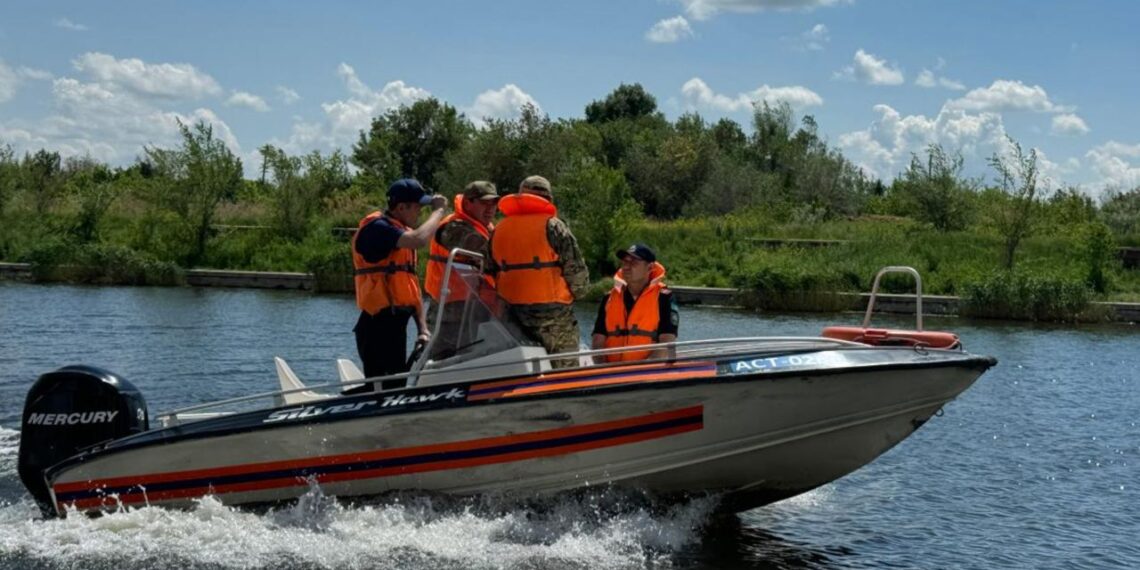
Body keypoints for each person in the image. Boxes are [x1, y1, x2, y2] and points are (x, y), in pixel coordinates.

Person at [488, 175, 589, 368]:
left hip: (513, 315)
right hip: (554, 316)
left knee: (522, 369)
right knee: (565, 372)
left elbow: (488, 270)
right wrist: (579, 293)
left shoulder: (498, 229)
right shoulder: (553, 226)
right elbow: (576, 270)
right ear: (548, 199)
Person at [352, 178, 447, 378]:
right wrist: (438, 211)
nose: (420, 212)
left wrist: (422, 329)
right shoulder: (378, 228)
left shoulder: (401, 233)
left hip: (396, 323)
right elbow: (419, 240)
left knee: (395, 381)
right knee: (384, 385)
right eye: (417, 207)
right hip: (377, 326)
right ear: (401, 207)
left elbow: (411, 289)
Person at [423, 180, 499, 354]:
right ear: (467, 202)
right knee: (440, 361)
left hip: (477, 308)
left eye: (493, 203)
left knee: (474, 361)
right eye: (484, 203)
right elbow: (487, 255)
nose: (490, 209)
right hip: (449, 311)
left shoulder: (487, 228)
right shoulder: (453, 227)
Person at [591, 243, 679, 362]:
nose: (626, 267)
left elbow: (667, 342)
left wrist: (640, 372)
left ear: (650, 268)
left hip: (649, 373)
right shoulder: (609, 298)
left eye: (633, 263)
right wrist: (605, 371)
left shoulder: (664, 297)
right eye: (625, 262)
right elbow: (598, 340)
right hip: (611, 373)